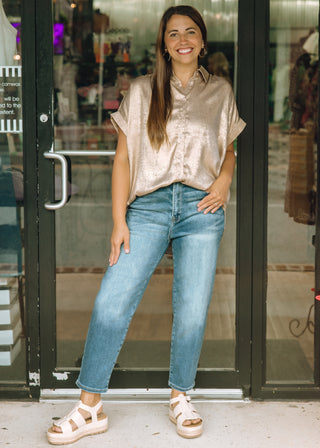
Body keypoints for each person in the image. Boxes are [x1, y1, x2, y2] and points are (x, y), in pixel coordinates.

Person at [47, 5, 246, 445]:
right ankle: (89, 406)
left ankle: (180, 395)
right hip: (149, 207)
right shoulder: (140, 91)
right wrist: (119, 220)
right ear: (163, 43)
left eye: (190, 31)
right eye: (173, 33)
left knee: (192, 310)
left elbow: (228, 146)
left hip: (201, 208)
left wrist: (225, 180)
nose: (182, 40)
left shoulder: (221, 92)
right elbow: (123, 158)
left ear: (202, 40)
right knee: (111, 302)